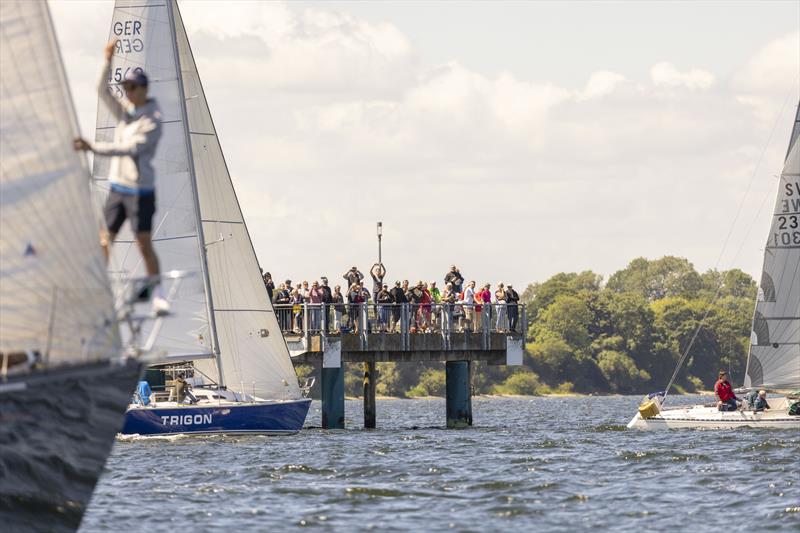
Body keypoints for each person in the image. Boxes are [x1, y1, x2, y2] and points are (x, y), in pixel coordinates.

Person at [74, 40, 167, 314]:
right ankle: (94, 290)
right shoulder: (126, 114)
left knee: (143, 244)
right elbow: (101, 91)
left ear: (144, 89)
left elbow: (130, 149)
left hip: (141, 191)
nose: (127, 91)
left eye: (132, 87)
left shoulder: (152, 120)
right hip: (118, 188)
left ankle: (158, 293)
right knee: (105, 239)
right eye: (125, 87)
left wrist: (93, 148)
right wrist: (107, 61)